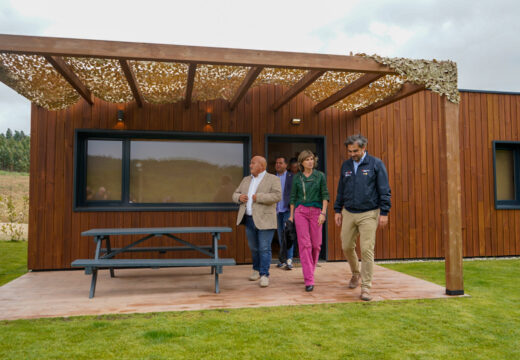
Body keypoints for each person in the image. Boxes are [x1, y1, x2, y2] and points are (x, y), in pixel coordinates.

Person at [334, 134, 391, 301]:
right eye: (350, 151)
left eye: (355, 151)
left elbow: (384, 189)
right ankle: (355, 273)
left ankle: (366, 287)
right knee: (346, 246)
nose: (352, 154)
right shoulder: (346, 166)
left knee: (366, 250)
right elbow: (341, 189)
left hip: (369, 213)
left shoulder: (376, 164)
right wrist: (338, 210)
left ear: (364, 148)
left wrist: (384, 212)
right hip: (349, 212)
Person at [233, 156, 282, 287]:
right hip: (249, 219)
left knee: (264, 248)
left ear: (261, 166)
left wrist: (258, 197)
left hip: (265, 220)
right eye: (250, 163)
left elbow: (277, 196)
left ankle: (264, 275)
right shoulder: (246, 180)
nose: (250, 165)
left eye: (253, 163)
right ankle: (256, 269)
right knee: (254, 248)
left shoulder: (273, 179)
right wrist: (239, 197)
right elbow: (235, 193)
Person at [289, 150, 329, 292]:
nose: (310, 162)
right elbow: (293, 197)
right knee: (305, 245)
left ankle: (309, 271)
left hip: (317, 212)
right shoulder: (297, 178)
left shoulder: (320, 176)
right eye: (307, 159)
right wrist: (291, 216)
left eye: (312, 159)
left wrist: (323, 213)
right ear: (301, 162)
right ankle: (309, 279)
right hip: (301, 212)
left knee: (317, 245)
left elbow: (325, 195)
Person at [274, 156, 294, 270]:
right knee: (281, 236)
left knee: (289, 236)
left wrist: (292, 214)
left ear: (286, 165)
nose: (278, 165)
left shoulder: (292, 177)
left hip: (287, 211)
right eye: (276, 163)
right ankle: (282, 259)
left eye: (280, 163)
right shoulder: (272, 178)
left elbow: (294, 196)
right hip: (277, 212)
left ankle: (289, 260)